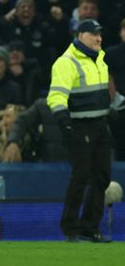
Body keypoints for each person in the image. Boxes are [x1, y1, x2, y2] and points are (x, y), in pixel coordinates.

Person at [47, 19, 113, 243]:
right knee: (81, 176)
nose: (99, 38)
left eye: (100, 34)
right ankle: (71, 228)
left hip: (101, 125)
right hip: (79, 126)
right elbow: (56, 96)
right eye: (94, 34)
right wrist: (64, 122)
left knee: (102, 177)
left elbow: (103, 91)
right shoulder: (66, 62)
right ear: (81, 35)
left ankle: (90, 228)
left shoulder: (100, 58)